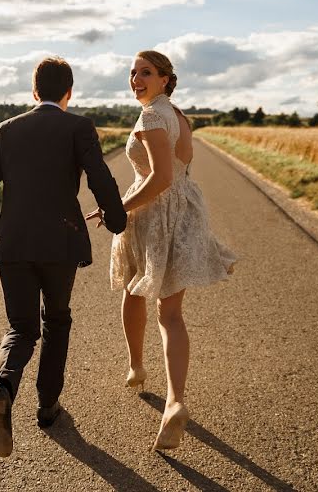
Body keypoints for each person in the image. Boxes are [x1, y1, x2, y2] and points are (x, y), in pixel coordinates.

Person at [0, 56, 127, 458]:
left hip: (13, 245)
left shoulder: (6, 129)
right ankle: (47, 407)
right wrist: (116, 219)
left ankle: (4, 386)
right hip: (60, 243)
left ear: (34, 90)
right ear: (69, 92)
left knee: (21, 328)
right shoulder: (78, 127)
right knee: (56, 319)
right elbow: (100, 176)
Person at [87, 50, 236, 452]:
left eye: (147, 73)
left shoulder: (152, 116)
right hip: (187, 211)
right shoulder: (177, 113)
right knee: (170, 313)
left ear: (166, 79)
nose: (136, 79)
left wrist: (118, 208)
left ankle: (138, 368)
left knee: (136, 291)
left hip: (154, 215)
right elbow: (180, 171)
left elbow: (161, 177)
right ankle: (173, 399)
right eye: (133, 72)